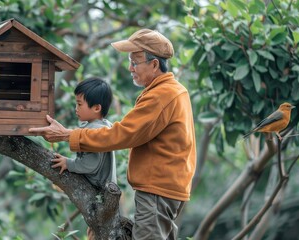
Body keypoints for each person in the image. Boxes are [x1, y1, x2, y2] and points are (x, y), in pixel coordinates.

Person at [30, 28, 196, 240]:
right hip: (166, 188)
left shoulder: (163, 94)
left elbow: (122, 135)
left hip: (158, 190)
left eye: (135, 62)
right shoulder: (172, 90)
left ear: (154, 64)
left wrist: (68, 135)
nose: (130, 68)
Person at [51, 77, 116, 189]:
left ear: (96, 108)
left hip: (98, 187)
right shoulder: (105, 125)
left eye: (79, 104)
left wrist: (68, 163)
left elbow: (90, 164)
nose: (76, 108)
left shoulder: (94, 131)